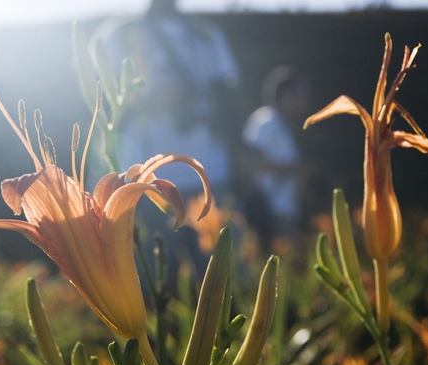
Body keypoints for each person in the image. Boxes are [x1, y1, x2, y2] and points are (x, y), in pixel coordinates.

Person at [90, 0, 240, 200]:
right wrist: (151, 100)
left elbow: (226, 97)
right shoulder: (120, 34)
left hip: (210, 170)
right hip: (143, 178)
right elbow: (101, 97)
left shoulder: (206, 34)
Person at [242, 66, 310, 245]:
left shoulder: (285, 125)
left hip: (286, 210)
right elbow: (251, 163)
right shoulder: (266, 121)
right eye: (300, 93)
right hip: (270, 212)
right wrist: (298, 170)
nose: (304, 98)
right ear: (286, 95)